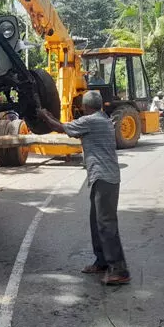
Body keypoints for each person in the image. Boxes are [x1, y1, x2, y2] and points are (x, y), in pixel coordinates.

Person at [37, 91, 130, 285]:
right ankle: (102, 261)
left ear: (86, 107)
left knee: (106, 223)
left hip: (105, 178)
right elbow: (65, 126)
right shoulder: (100, 118)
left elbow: (60, 127)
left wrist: (44, 115)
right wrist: (51, 117)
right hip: (102, 177)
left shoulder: (92, 121)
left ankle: (119, 269)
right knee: (96, 222)